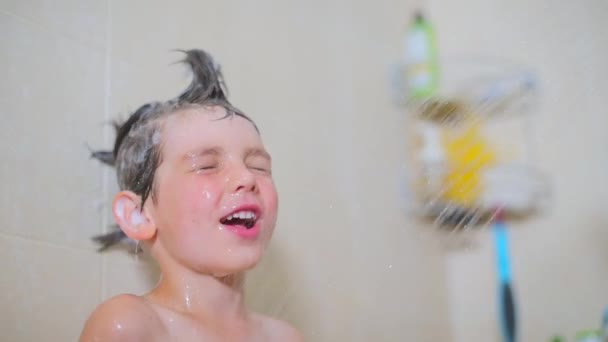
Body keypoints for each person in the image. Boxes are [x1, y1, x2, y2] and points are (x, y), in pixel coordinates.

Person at [80, 49, 303, 341]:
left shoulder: (285, 337)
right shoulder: (130, 326)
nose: (247, 178)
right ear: (138, 215)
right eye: (207, 166)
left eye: (259, 166)